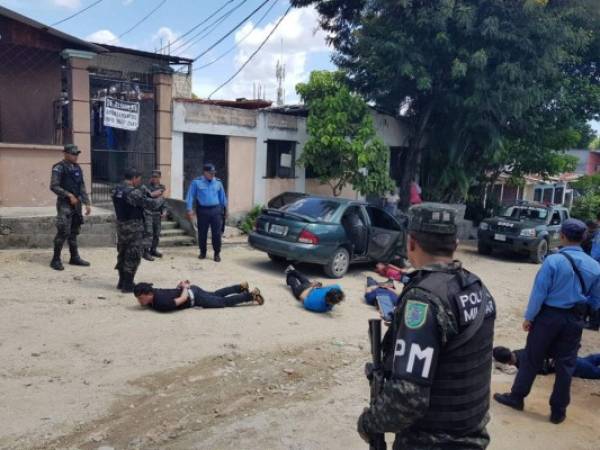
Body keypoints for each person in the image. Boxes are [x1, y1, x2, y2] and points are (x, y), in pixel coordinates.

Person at [357, 203, 496, 449]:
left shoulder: (423, 300)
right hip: (472, 438)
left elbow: (408, 398)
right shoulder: (476, 288)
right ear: (455, 243)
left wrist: (369, 423)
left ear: (411, 243)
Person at [494, 219, 600, 424]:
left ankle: (517, 397)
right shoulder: (595, 266)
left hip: (548, 317)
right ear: (583, 238)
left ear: (562, 236)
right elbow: (596, 300)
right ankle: (558, 412)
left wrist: (529, 317)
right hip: (575, 319)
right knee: (566, 365)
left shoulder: (553, 261)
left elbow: (539, 293)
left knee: (533, 358)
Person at [112, 168, 164, 293]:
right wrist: (161, 198)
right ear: (134, 178)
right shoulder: (133, 192)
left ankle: (122, 281)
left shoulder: (116, 189)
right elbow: (151, 204)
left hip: (121, 225)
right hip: (133, 227)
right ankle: (128, 285)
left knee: (122, 253)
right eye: (138, 179)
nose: (139, 182)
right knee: (133, 255)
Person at [49, 144, 92, 270]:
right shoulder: (59, 167)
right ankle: (55, 259)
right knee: (63, 231)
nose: (75, 156)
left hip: (77, 204)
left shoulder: (77, 167)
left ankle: (74, 257)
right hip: (64, 204)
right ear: (65, 153)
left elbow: (82, 186)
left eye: (77, 154)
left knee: (74, 232)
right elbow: (54, 186)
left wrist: (87, 203)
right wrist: (68, 195)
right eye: (73, 154)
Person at [133, 280, 264, 312]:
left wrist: (184, 287)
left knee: (222, 302)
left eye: (140, 298)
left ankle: (251, 295)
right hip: (193, 290)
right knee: (215, 294)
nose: (139, 301)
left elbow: (182, 299)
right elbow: (172, 292)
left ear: (148, 294)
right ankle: (240, 287)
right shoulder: (154, 291)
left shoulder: (161, 303)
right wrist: (182, 286)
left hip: (192, 297)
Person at [185, 163, 228, 262]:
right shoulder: (196, 182)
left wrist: (225, 210)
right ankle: (203, 252)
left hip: (216, 210)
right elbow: (190, 196)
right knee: (202, 233)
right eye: (210, 173)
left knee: (216, 234)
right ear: (205, 173)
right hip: (203, 211)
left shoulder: (218, 182)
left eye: (213, 173)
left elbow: (222, 197)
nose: (212, 175)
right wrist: (189, 210)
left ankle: (217, 253)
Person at [493, 346, 600, 380]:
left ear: (507, 363)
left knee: (595, 371)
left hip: (568, 365)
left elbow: (544, 370)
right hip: (567, 358)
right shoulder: (519, 351)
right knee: (591, 360)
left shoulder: (523, 366)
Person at [141, 170, 167, 261]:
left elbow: (163, 200)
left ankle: (153, 249)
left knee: (156, 233)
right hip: (148, 212)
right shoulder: (146, 187)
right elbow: (149, 197)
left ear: (159, 177)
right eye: (153, 176)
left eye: (156, 177)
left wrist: (164, 211)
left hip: (157, 214)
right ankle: (145, 251)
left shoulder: (162, 187)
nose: (154, 178)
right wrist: (153, 195)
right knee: (148, 232)